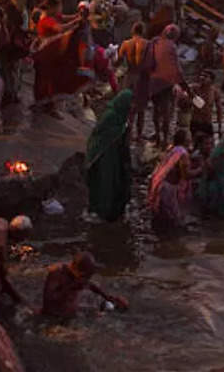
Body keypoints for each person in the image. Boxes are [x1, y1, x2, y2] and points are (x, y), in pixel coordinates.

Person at [84, 90, 134, 222]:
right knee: (104, 184)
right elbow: (98, 135)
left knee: (117, 183)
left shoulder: (121, 117)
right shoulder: (111, 116)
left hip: (115, 158)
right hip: (104, 158)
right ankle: (102, 210)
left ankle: (114, 210)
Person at [41, 251, 128, 320]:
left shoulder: (77, 276)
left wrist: (107, 297)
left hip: (70, 313)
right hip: (55, 316)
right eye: (86, 276)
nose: (86, 280)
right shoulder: (57, 274)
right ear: (77, 270)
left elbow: (90, 285)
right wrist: (70, 287)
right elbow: (49, 299)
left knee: (99, 313)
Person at [146, 24, 189, 146]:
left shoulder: (154, 42)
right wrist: (183, 83)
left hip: (153, 81)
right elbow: (177, 68)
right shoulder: (171, 46)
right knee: (166, 111)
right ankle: (164, 139)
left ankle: (158, 135)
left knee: (156, 109)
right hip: (165, 82)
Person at [147, 129, 192, 230]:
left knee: (163, 218)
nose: (190, 139)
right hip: (169, 190)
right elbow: (186, 175)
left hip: (162, 186)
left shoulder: (172, 149)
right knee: (174, 222)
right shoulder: (183, 153)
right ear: (185, 140)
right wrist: (202, 169)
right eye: (189, 137)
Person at [189, 70, 223, 140]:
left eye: (205, 76)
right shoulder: (194, 88)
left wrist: (220, 128)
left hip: (207, 123)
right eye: (201, 75)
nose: (202, 77)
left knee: (210, 146)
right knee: (195, 144)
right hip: (195, 122)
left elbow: (219, 110)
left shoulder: (215, 92)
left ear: (211, 80)